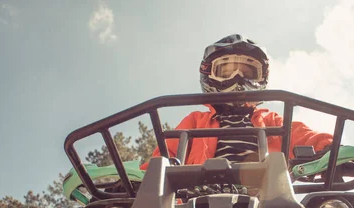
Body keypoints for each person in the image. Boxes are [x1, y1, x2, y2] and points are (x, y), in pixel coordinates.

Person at [141, 34, 333, 169]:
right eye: (227, 71)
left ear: (260, 78)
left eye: (248, 72)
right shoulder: (196, 121)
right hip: (195, 198)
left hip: (268, 201)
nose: (238, 78)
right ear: (209, 74)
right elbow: (164, 155)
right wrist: (142, 177)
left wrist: (332, 148)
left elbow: (305, 136)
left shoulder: (270, 120)